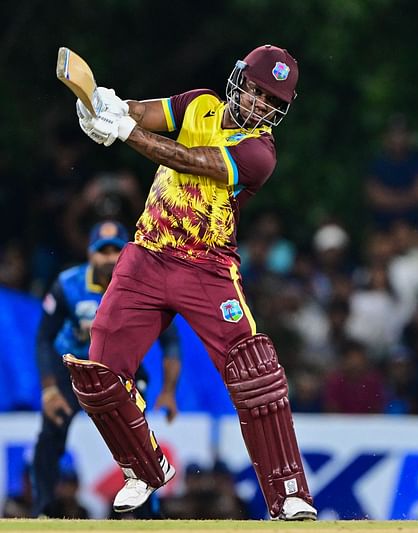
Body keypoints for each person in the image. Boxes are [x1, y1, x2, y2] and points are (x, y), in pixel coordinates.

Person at [69, 44, 316, 520]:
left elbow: (187, 159)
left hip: (207, 268)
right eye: (258, 92)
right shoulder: (200, 103)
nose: (261, 105)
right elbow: (148, 113)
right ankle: (143, 468)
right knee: (100, 371)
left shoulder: (259, 153)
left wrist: (124, 131)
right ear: (239, 79)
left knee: (255, 370)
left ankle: (289, 492)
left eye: (273, 102)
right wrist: (109, 106)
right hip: (146, 256)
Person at [33, 220, 182, 517]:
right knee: (51, 434)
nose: (110, 258)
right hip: (74, 370)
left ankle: (147, 514)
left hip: (123, 371)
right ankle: (44, 512)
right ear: (90, 254)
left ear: (128, 254)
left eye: (117, 250)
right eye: (103, 251)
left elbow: (171, 342)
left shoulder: (145, 288)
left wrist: (168, 391)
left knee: (136, 438)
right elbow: (43, 338)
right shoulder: (68, 285)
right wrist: (50, 390)